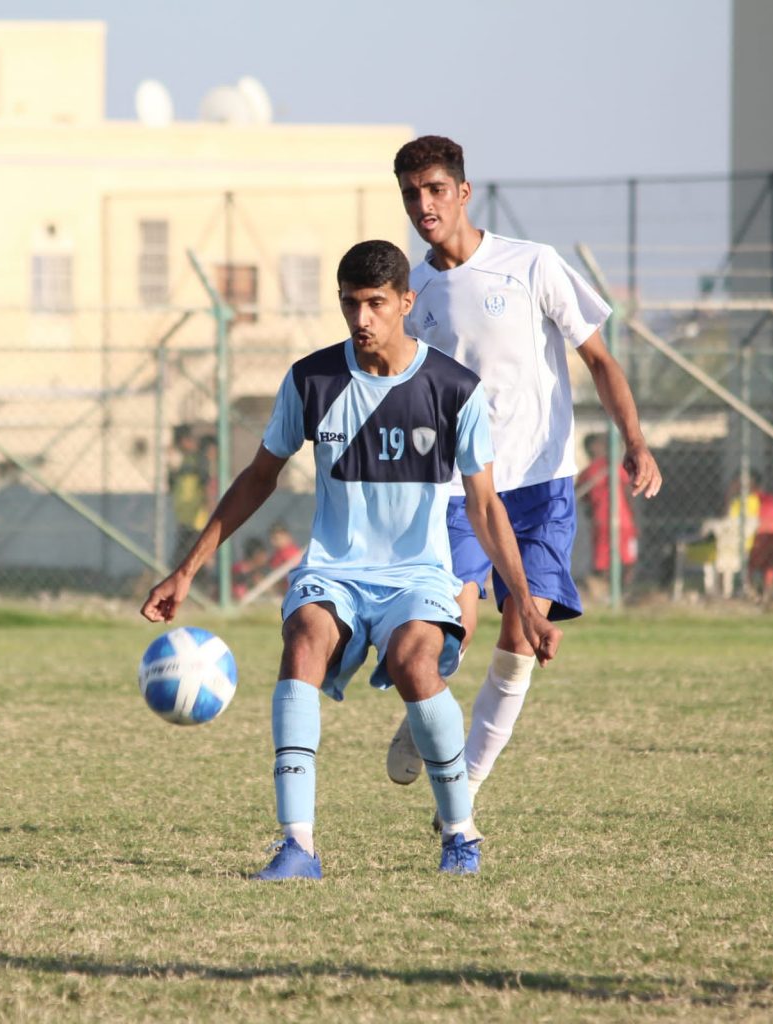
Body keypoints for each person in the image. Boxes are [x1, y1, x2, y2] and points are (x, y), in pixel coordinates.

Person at [141, 240, 561, 880]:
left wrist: (525, 605)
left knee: (415, 662)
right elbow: (259, 478)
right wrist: (186, 569)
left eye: (375, 304)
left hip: (417, 576)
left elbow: (484, 506)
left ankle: (460, 833)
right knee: (305, 640)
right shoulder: (312, 380)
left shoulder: (454, 389)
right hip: (333, 572)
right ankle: (297, 846)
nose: (362, 319)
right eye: (350, 304)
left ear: (406, 302)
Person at [386, 136, 662, 811]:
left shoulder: (531, 264)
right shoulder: (412, 293)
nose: (424, 205)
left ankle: (467, 785)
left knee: (520, 634)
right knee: (452, 626)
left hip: (541, 483)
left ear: (463, 192)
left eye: (435, 190)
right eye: (412, 194)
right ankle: (425, 695)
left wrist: (634, 439)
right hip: (456, 486)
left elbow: (599, 359)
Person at [578, 432, 639, 590]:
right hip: (611, 521)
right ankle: (613, 591)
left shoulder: (610, 467)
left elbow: (581, 498)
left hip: (615, 521)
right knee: (611, 560)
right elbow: (582, 496)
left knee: (623, 559)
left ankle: (617, 591)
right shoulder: (593, 471)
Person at [168, 425, 210, 562]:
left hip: (197, 520)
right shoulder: (182, 461)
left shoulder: (199, 460)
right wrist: (171, 467)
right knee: (182, 559)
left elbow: (206, 486)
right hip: (184, 520)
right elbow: (171, 485)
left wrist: (209, 509)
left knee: (191, 558)